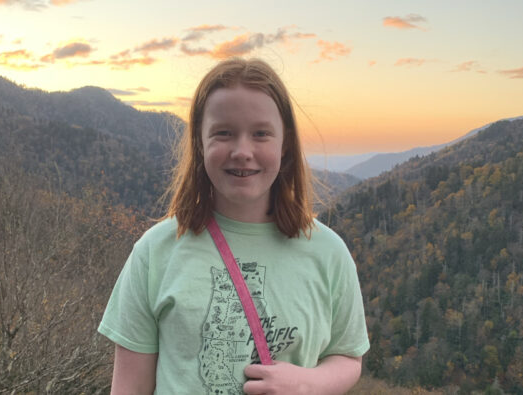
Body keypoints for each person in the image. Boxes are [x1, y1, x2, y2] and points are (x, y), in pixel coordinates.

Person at [98, 58, 369, 394]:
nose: (242, 151)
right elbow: (130, 387)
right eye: (224, 133)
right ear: (199, 143)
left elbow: (347, 356)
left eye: (260, 134)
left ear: (284, 146)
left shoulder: (328, 252)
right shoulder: (156, 252)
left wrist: (307, 383)